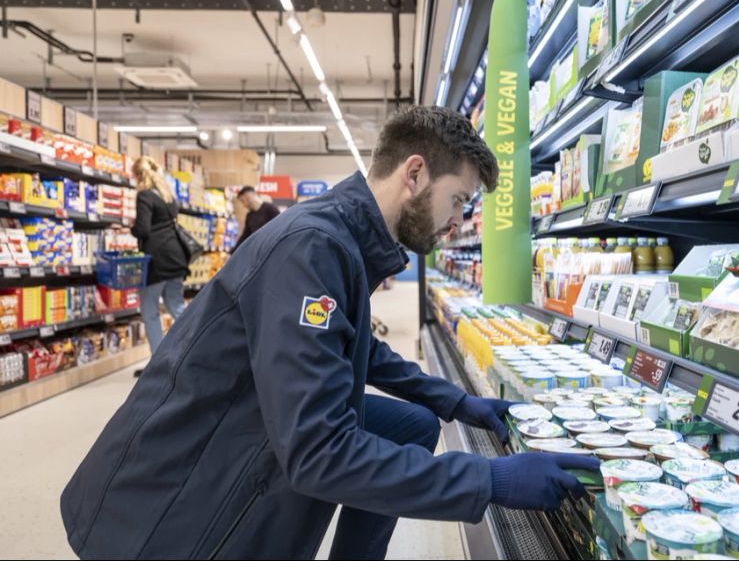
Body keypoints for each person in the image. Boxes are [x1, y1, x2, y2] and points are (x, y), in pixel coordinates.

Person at [60, 107, 595, 560]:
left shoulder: (344, 239)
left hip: (250, 417)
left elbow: (359, 345)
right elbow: (318, 451)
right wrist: (490, 481)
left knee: (410, 424)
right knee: (350, 442)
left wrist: (455, 401)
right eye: (458, 199)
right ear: (414, 174)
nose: (458, 220)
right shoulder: (313, 249)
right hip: (170, 505)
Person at [129, 156, 189, 357]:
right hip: (176, 257)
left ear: (139, 175)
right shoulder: (167, 196)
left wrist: (131, 228)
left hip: (156, 260)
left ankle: (157, 363)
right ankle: (194, 350)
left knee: (150, 311)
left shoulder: (145, 196)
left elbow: (144, 229)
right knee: (177, 306)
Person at [232, 185, 281, 250]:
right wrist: (233, 252)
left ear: (248, 196)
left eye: (242, 201)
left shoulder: (271, 209)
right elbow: (245, 236)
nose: (243, 205)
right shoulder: (249, 215)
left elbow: (280, 229)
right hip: (257, 251)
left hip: (271, 249)